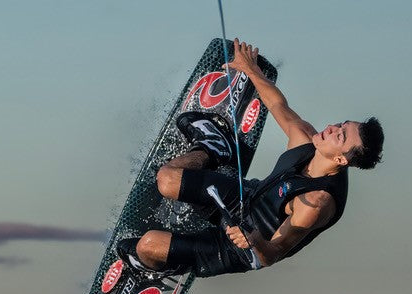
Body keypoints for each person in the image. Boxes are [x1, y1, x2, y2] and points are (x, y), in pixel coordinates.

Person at [118, 39, 383, 278]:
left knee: (146, 246)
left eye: (340, 136)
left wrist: (251, 240)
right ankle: (212, 149)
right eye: (341, 124)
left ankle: (166, 266)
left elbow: (271, 255)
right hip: (243, 198)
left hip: (238, 248)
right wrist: (249, 69)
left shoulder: (316, 203)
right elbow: (278, 105)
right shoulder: (307, 139)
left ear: (341, 160)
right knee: (166, 179)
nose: (333, 128)